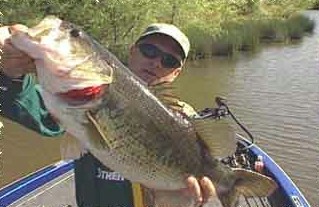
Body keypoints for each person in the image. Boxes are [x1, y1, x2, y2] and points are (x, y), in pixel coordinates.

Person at [0, 22, 217, 206]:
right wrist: (11, 74)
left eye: (169, 61)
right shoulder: (80, 94)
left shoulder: (185, 121)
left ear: (177, 72)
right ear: (132, 51)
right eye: (149, 50)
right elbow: (30, 108)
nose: (156, 62)